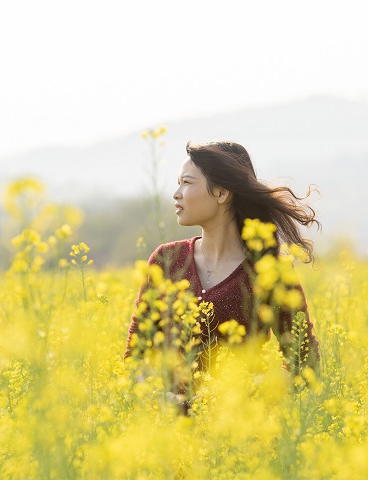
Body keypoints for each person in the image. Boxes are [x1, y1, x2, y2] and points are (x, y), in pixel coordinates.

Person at [124, 141, 321, 398]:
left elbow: (306, 366)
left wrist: (238, 393)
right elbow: (135, 357)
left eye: (186, 182)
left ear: (221, 193)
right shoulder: (166, 261)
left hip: (241, 432)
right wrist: (162, 400)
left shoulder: (268, 270)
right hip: (169, 432)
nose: (176, 193)